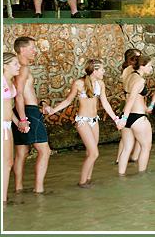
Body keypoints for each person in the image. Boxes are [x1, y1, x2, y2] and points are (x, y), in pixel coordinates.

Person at [44, 59, 124, 188]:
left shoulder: (100, 83)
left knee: (90, 153)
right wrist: (53, 110)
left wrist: (116, 120)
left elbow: (105, 103)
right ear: (94, 71)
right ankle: (82, 182)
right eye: (102, 69)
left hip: (94, 120)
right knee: (94, 154)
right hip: (82, 121)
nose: (104, 71)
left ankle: (88, 179)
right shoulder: (79, 83)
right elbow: (68, 100)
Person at [11, 37, 52, 193]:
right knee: (45, 151)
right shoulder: (22, 68)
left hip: (22, 110)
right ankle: (39, 190)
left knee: (22, 152)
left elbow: (24, 94)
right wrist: (23, 119)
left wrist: (42, 104)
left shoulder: (17, 68)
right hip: (27, 112)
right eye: (33, 48)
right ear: (23, 50)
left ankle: (18, 189)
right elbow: (19, 95)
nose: (36, 51)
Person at [118, 55, 153, 175]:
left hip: (128, 116)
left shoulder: (129, 76)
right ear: (142, 66)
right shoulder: (139, 80)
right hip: (137, 117)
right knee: (146, 147)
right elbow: (132, 98)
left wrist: (124, 117)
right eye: (149, 66)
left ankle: (121, 176)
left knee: (126, 149)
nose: (151, 68)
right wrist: (124, 118)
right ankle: (142, 176)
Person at [2, 53, 22, 204]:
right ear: (5, 66)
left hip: (7, 126)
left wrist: (18, 122)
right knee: (5, 163)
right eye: (15, 64)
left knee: (8, 162)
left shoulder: (10, 82)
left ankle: (3, 199)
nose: (19, 66)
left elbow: (9, 109)